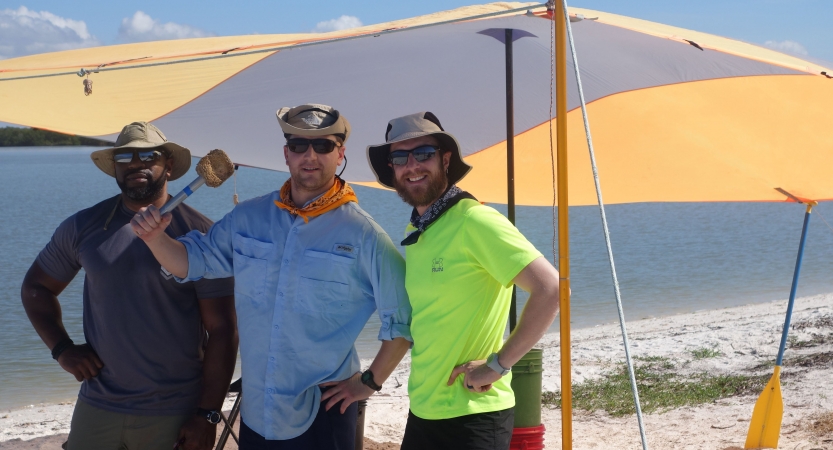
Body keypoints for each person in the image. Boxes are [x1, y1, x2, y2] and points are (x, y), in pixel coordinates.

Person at [129, 104, 412, 450]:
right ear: (286, 154)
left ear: (340, 154)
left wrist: (369, 381)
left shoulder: (365, 234)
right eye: (298, 146)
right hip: (258, 410)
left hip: (325, 408)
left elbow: (402, 319)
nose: (310, 155)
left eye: (323, 146)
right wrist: (155, 238)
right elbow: (191, 262)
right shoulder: (247, 217)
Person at [20, 121, 238, 450]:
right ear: (115, 168)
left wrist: (207, 415)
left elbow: (223, 330)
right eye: (124, 157)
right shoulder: (84, 226)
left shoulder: (202, 236)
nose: (135, 163)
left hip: (173, 411)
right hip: (98, 406)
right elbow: (36, 288)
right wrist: (62, 349)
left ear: (168, 165)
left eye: (148, 155)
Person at [366, 112, 562, 450]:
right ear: (392, 170)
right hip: (424, 409)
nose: (412, 165)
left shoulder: (475, 219)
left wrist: (498, 365)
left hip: (474, 412)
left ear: (445, 160)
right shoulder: (417, 229)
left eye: (423, 154)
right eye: (400, 157)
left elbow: (551, 288)